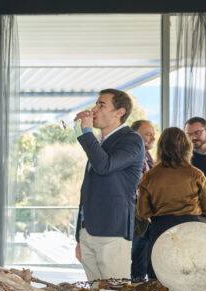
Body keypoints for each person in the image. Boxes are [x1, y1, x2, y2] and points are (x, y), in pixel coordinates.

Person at [74, 88, 144, 281]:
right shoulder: (100, 143)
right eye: (96, 104)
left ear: (120, 112)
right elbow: (87, 191)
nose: (94, 109)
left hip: (113, 231)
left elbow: (105, 166)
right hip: (89, 231)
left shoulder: (132, 140)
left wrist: (86, 131)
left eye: (101, 104)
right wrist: (80, 236)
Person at [136, 127, 206, 279]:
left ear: (161, 148)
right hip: (191, 227)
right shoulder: (196, 174)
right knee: (193, 276)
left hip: (161, 228)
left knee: (158, 276)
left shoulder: (150, 176)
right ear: (186, 147)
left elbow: (142, 212)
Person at [130, 120, 155, 279]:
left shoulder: (148, 158)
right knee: (132, 267)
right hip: (133, 219)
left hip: (147, 219)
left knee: (142, 266)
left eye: (153, 134)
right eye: (148, 134)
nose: (153, 137)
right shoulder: (130, 156)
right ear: (135, 136)